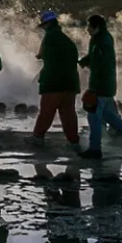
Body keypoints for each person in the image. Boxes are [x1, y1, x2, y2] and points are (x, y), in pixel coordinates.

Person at [79, 13, 122, 159]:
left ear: (97, 27)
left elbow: (101, 64)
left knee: (93, 117)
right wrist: (83, 61)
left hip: (101, 85)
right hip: (106, 84)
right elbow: (95, 58)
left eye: (89, 26)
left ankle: (95, 149)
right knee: (108, 116)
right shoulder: (100, 39)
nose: (87, 29)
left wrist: (93, 88)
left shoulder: (101, 41)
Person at [32, 9, 83, 149]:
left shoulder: (49, 38)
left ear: (47, 25)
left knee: (46, 112)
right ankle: (74, 141)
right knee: (68, 114)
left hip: (53, 83)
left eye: (43, 26)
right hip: (71, 83)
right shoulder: (67, 40)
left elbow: (42, 55)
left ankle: (37, 137)